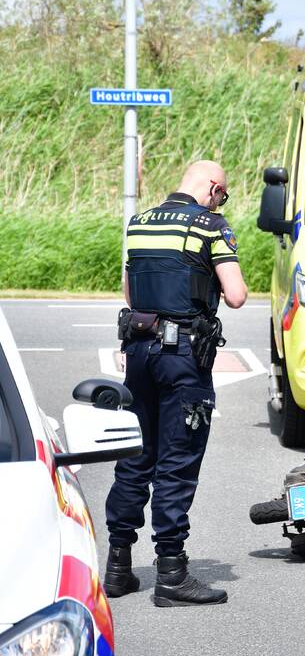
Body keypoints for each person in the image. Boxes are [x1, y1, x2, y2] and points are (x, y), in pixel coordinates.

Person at [103, 160, 247, 607]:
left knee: (135, 458)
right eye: (222, 195)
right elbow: (238, 295)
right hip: (182, 357)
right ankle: (171, 574)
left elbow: (130, 293)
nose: (221, 202)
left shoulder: (140, 223)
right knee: (177, 462)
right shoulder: (211, 225)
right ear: (212, 188)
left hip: (138, 353)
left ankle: (118, 568)